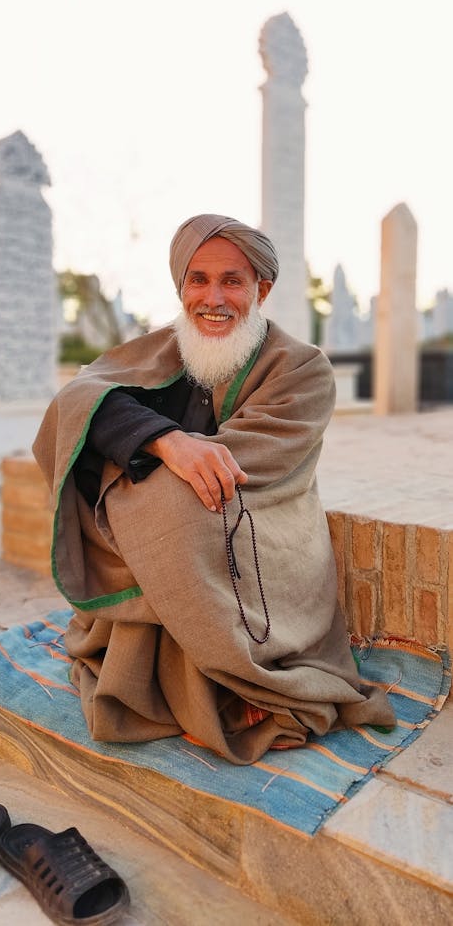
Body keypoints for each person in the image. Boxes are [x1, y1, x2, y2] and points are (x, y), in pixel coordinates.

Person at [34, 214, 395, 765]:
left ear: (261, 289)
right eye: (198, 280)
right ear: (181, 288)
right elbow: (77, 400)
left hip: (264, 532)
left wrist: (133, 462)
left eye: (232, 280)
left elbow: (237, 472)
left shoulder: (303, 368)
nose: (213, 298)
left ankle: (235, 675)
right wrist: (164, 441)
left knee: (176, 510)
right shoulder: (161, 349)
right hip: (179, 524)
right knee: (164, 508)